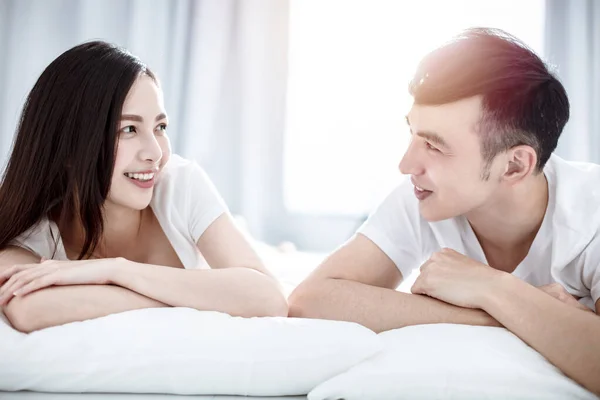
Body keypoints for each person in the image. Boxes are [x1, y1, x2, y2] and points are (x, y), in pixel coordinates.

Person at [289, 28, 600, 395]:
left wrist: (489, 284)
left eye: (435, 147)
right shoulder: (425, 194)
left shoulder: (590, 209)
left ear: (514, 166)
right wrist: (500, 311)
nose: (406, 164)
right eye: (413, 135)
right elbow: (309, 302)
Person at [0, 41, 288, 333]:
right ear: (69, 149)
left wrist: (116, 270)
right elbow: (28, 309)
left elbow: (269, 297)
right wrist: (195, 298)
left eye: (160, 127)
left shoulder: (179, 184)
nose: (156, 153)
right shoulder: (32, 232)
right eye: (128, 130)